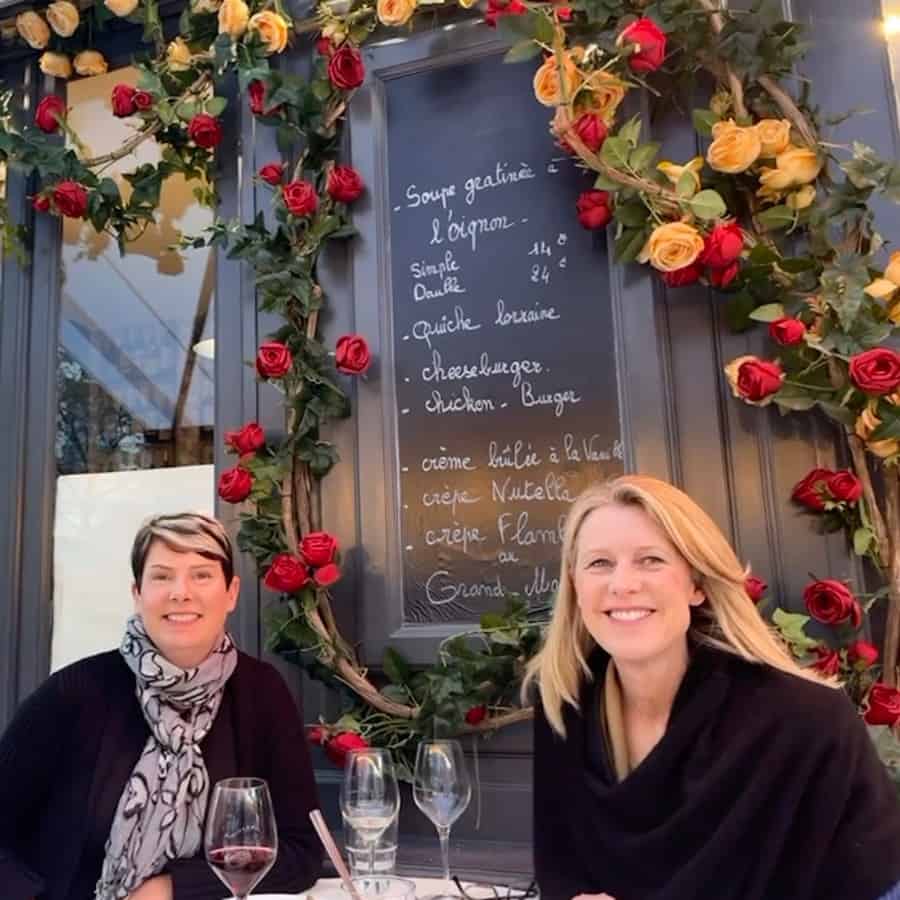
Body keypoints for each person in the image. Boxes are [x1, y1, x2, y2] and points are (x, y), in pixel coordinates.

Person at [523, 475, 900, 900]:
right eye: (599, 563)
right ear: (575, 586)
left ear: (696, 585)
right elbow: (559, 864)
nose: (622, 583)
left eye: (650, 560)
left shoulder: (801, 720)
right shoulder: (564, 701)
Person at [0, 512, 323, 900]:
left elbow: (301, 852)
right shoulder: (75, 692)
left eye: (201, 575)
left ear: (231, 592)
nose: (180, 592)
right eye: (162, 576)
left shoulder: (261, 693)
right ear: (138, 594)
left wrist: (170, 889)